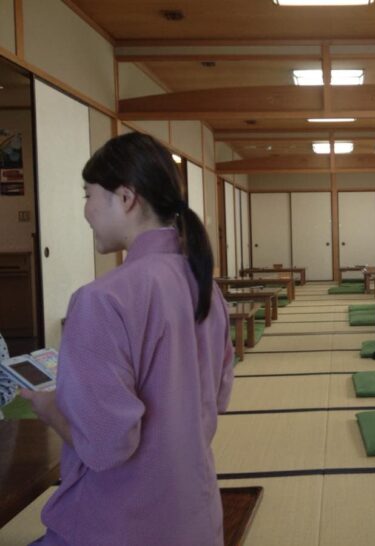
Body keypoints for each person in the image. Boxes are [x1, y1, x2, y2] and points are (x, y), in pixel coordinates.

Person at [21, 133, 235, 546]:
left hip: (120, 525)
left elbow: (108, 446)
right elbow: (218, 399)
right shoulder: (207, 287)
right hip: (197, 521)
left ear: (125, 197)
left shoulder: (100, 300)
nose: (85, 211)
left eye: (88, 194)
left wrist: (50, 409)